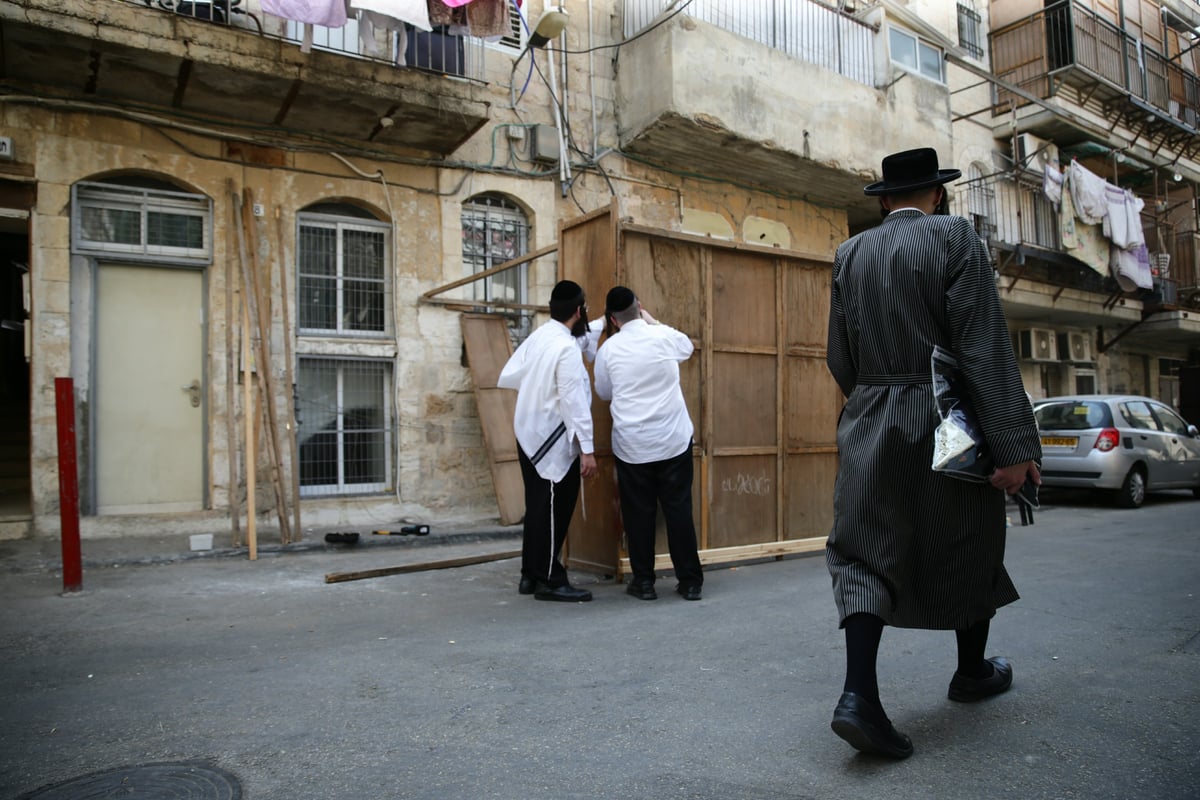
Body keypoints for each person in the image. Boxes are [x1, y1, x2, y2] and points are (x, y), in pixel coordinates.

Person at [824, 148, 1042, 758]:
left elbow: (839, 355)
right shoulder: (956, 240)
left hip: (867, 415)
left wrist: (874, 401)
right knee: (969, 534)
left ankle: (859, 695)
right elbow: (983, 346)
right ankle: (970, 672)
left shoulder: (850, 253)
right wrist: (1013, 446)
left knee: (863, 549)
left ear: (886, 199)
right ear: (938, 194)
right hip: (944, 420)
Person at [593, 286, 704, 601]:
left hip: (633, 446)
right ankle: (690, 582)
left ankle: (643, 582)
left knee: (638, 515)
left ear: (613, 321)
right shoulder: (663, 338)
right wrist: (654, 322)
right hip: (672, 440)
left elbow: (604, 392)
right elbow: (687, 347)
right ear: (639, 307)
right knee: (678, 511)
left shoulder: (608, 351)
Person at [497, 280, 600, 602]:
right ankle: (550, 580)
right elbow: (573, 401)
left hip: (528, 434)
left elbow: (511, 373)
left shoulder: (542, 336)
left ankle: (530, 575)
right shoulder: (566, 348)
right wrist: (588, 449)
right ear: (579, 310)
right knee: (554, 510)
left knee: (539, 508)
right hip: (550, 441)